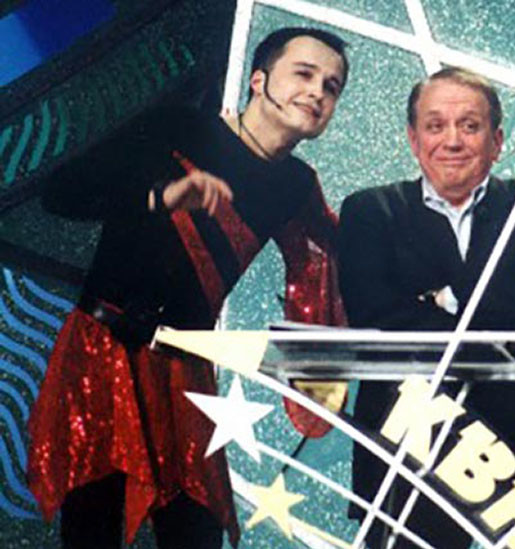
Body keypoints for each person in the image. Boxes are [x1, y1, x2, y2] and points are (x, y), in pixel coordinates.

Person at [26, 27, 349, 548]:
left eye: (331, 87)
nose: (317, 92)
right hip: (103, 351)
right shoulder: (178, 127)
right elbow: (62, 194)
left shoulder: (296, 186)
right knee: (92, 526)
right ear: (259, 80)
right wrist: (159, 197)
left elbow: (330, 254)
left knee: (196, 534)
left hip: (185, 373)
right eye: (304, 74)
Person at [338, 67, 515, 548]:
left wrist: (446, 297)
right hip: (412, 447)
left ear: (497, 141)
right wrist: (510, 303)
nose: (452, 140)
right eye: (435, 126)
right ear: (414, 139)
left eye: (469, 126)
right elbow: (377, 317)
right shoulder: (370, 212)